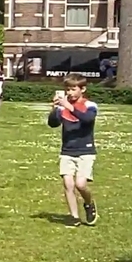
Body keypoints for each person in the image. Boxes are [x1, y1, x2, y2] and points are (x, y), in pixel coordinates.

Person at [49, 74, 98, 224]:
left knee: (81, 184)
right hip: (67, 150)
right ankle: (74, 217)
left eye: (73, 89)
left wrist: (69, 107)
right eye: (67, 89)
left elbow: (87, 119)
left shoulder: (90, 105)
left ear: (82, 89)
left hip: (85, 150)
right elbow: (53, 124)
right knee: (68, 184)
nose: (69, 93)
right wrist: (54, 109)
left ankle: (89, 204)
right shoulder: (62, 107)